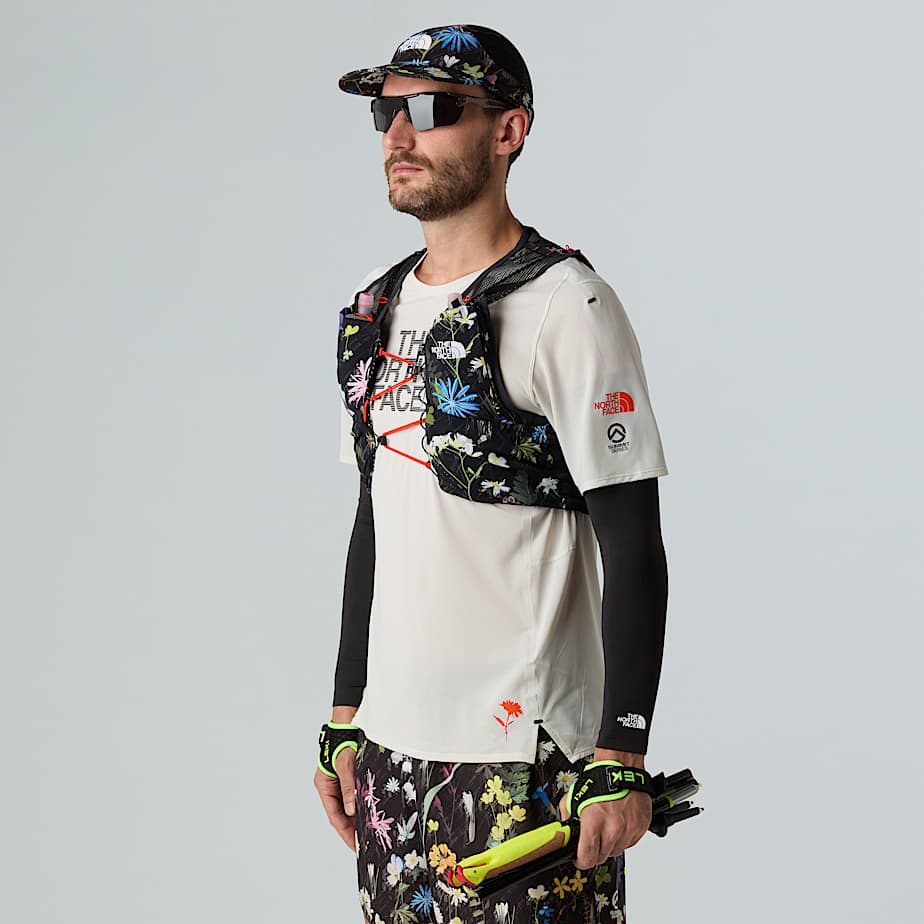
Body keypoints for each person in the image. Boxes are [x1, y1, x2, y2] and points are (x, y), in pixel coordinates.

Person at [315, 23, 670, 924]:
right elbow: (374, 517)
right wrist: (346, 712)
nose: (400, 135)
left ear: (508, 130)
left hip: (528, 760)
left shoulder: (567, 306)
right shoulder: (375, 305)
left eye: (435, 109)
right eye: (386, 113)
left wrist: (621, 755)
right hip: (390, 756)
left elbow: (634, 542)